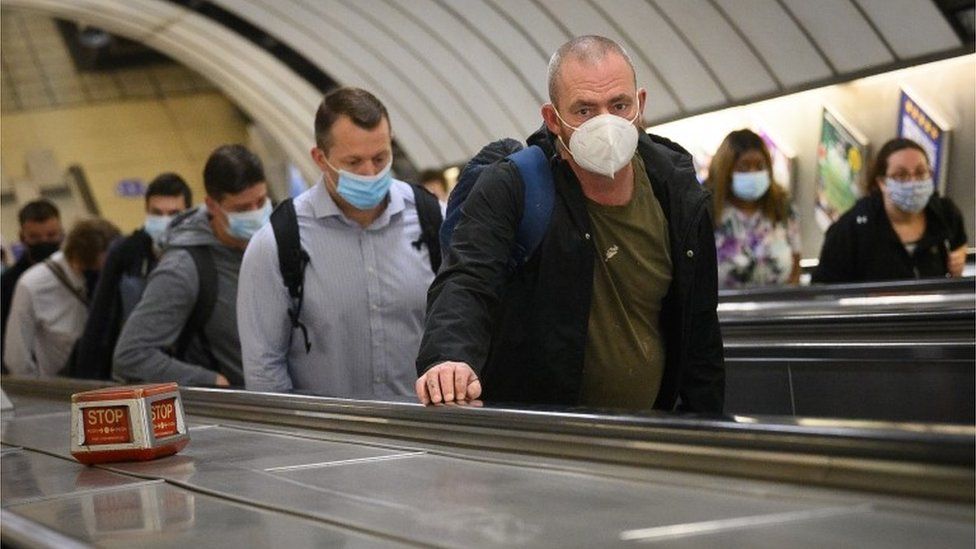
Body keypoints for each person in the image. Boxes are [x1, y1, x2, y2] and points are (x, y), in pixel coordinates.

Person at [415, 35, 724, 413]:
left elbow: (700, 332)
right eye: (584, 111)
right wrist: (449, 356)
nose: (606, 123)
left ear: (640, 105)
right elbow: (466, 280)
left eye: (619, 105)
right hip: (542, 445)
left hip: (649, 439)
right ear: (553, 119)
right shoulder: (514, 186)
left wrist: (706, 428)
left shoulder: (676, 191)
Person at [239, 87, 441, 398]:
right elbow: (264, 368)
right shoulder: (277, 244)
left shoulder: (433, 221)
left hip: (429, 433)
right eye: (353, 162)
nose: (370, 172)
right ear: (320, 158)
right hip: (329, 441)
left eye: (380, 157)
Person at [114, 145, 269, 387]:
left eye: (261, 202)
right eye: (241, 209)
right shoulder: (183, 268)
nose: (256, 214)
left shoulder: (276, 241)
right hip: (242, 413)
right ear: (212, 205)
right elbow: (131, 355)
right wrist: (211, 381)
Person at [69, 173, 193, 380]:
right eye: (157, 213)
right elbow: (100, 320)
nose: (165, 221)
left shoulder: (198, 252)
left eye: (173, 213)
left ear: (188, 213)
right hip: (136, 372)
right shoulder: (125, 253)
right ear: (146, 211)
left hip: (185, 368)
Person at [813, 137, 968, 283]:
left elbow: (959, 245)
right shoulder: (851, 229)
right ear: (882, 182)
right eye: (901, 175)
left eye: (921, 173)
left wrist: (960, 256)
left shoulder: (945, 214)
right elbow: (823, 290)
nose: (913, 182)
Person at [4, 218, 120, 376]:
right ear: (75, 261)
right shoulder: (32, 284)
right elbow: (17, 357)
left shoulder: (119, 270)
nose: (102, 277)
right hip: (63, 388)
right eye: (94, 270)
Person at [707, 129, 801, 288]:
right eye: (743, 167)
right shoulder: (708, 211)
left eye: (760, 166)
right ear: (726, 171)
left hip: (778, 308)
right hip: (723, 310)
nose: (753, 173)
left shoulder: (783, 208)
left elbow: (796, 262)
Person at [1, 200, 64, 364]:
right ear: (22, 237)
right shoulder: (8, 284)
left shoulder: (80, 273)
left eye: (51, 235)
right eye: (35, 237)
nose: (44, 241)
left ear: (62, 233)